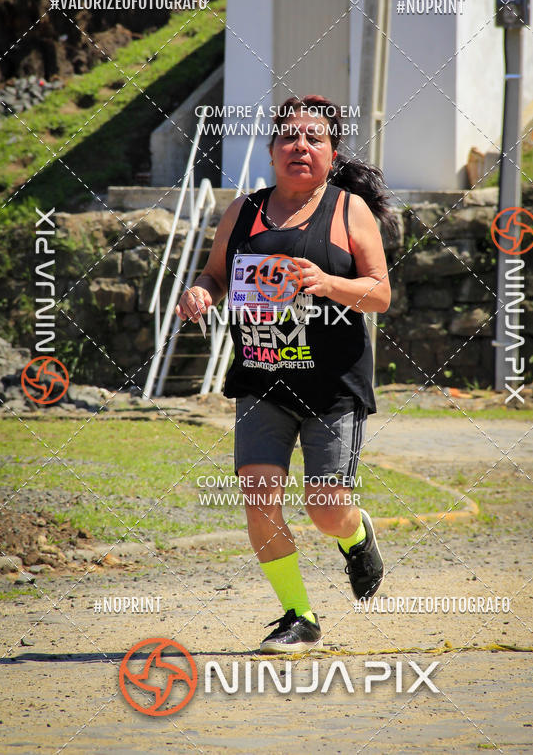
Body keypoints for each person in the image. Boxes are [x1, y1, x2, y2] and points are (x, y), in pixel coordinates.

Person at [176, 94, 395, 654]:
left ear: (332, 150)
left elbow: (380, 293)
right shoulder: (243, 210)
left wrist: (327, 282)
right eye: (290, 137)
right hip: (260, 379)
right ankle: (299, 615)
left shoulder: (350, 212)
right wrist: (202, 291)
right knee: (258, 498)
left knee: (327, 512)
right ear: (272, 149)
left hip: (332, 387)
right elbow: (215, 272)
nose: (301, 146)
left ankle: (357, 532)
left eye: (314, 138)